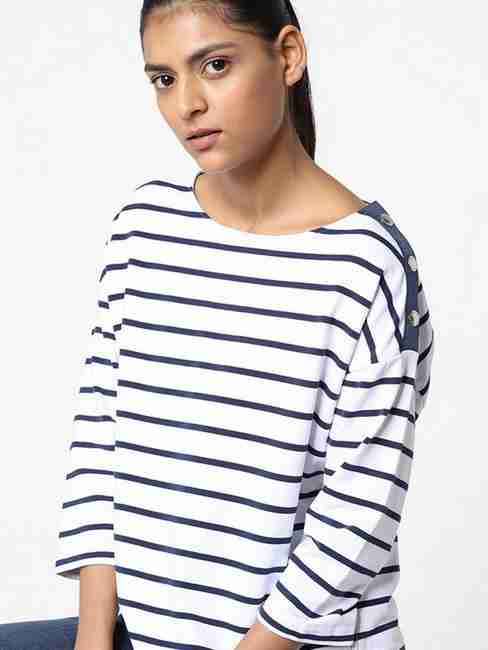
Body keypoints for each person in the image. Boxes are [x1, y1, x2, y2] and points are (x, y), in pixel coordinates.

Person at [2, 1, 434, 649]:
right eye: (164, 78)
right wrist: (93, 639)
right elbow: (100, 442)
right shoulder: (145, 229)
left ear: (288, 56)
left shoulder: (368, 265)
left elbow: (358, 518)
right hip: (146, 634)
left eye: (215, 65)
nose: (187, 105)